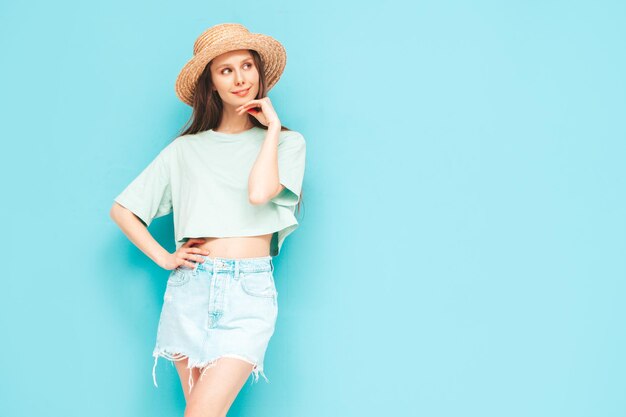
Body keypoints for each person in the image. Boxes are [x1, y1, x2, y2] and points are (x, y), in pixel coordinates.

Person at [109, 23, 306, 416]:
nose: (239, 78)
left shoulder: (288, 142)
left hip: (249, 291)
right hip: (191, 289)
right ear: (211, 83)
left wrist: (268, 132)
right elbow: (123, 210)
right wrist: (166, 258)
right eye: (226, 70)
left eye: (246, 65)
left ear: (259, 72)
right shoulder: (185, 151)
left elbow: (258, 193)